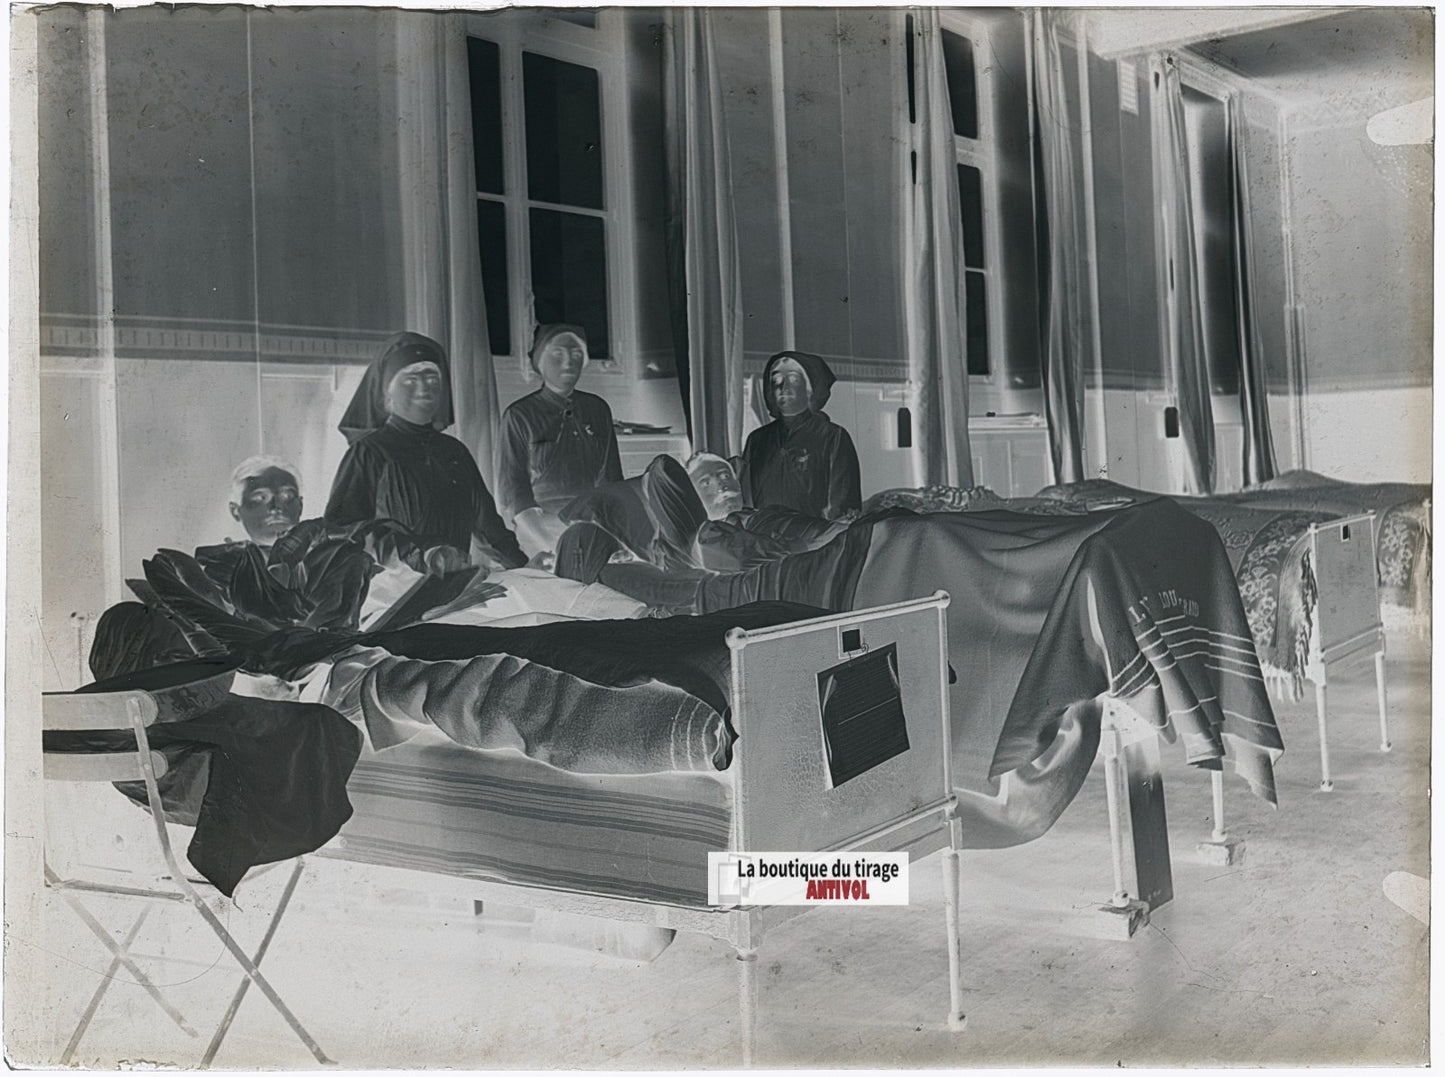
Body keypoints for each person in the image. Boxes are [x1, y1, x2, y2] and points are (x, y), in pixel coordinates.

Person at [326, 331, 527, 571]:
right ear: (387, 392)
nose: (424, 388)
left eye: (432, 377)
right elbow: (344, 529)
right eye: (411, 379)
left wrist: (524, 567)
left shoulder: (455, 451)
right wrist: (419, 553)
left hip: (452, 584)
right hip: (389, 591)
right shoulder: (368, 452)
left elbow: (489, 527)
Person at [498, 324, 623, 556]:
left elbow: (612, 482)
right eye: (558, 354)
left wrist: (618, 537)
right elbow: (516, 493)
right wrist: (550, 545)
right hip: (540, 530)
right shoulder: (519, 415)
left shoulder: (597, 409)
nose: (568, 363)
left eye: (576, 355)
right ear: (540, 362)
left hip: (592, 525)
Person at [739, 351, 861, 521]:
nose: (783, 387)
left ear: (810, 388)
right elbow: (747, 500)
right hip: (763, 537)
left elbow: (844, 502)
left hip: (816, 537)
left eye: (794, 380)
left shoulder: (833, 436)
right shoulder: (757, 439)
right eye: (776, 380)